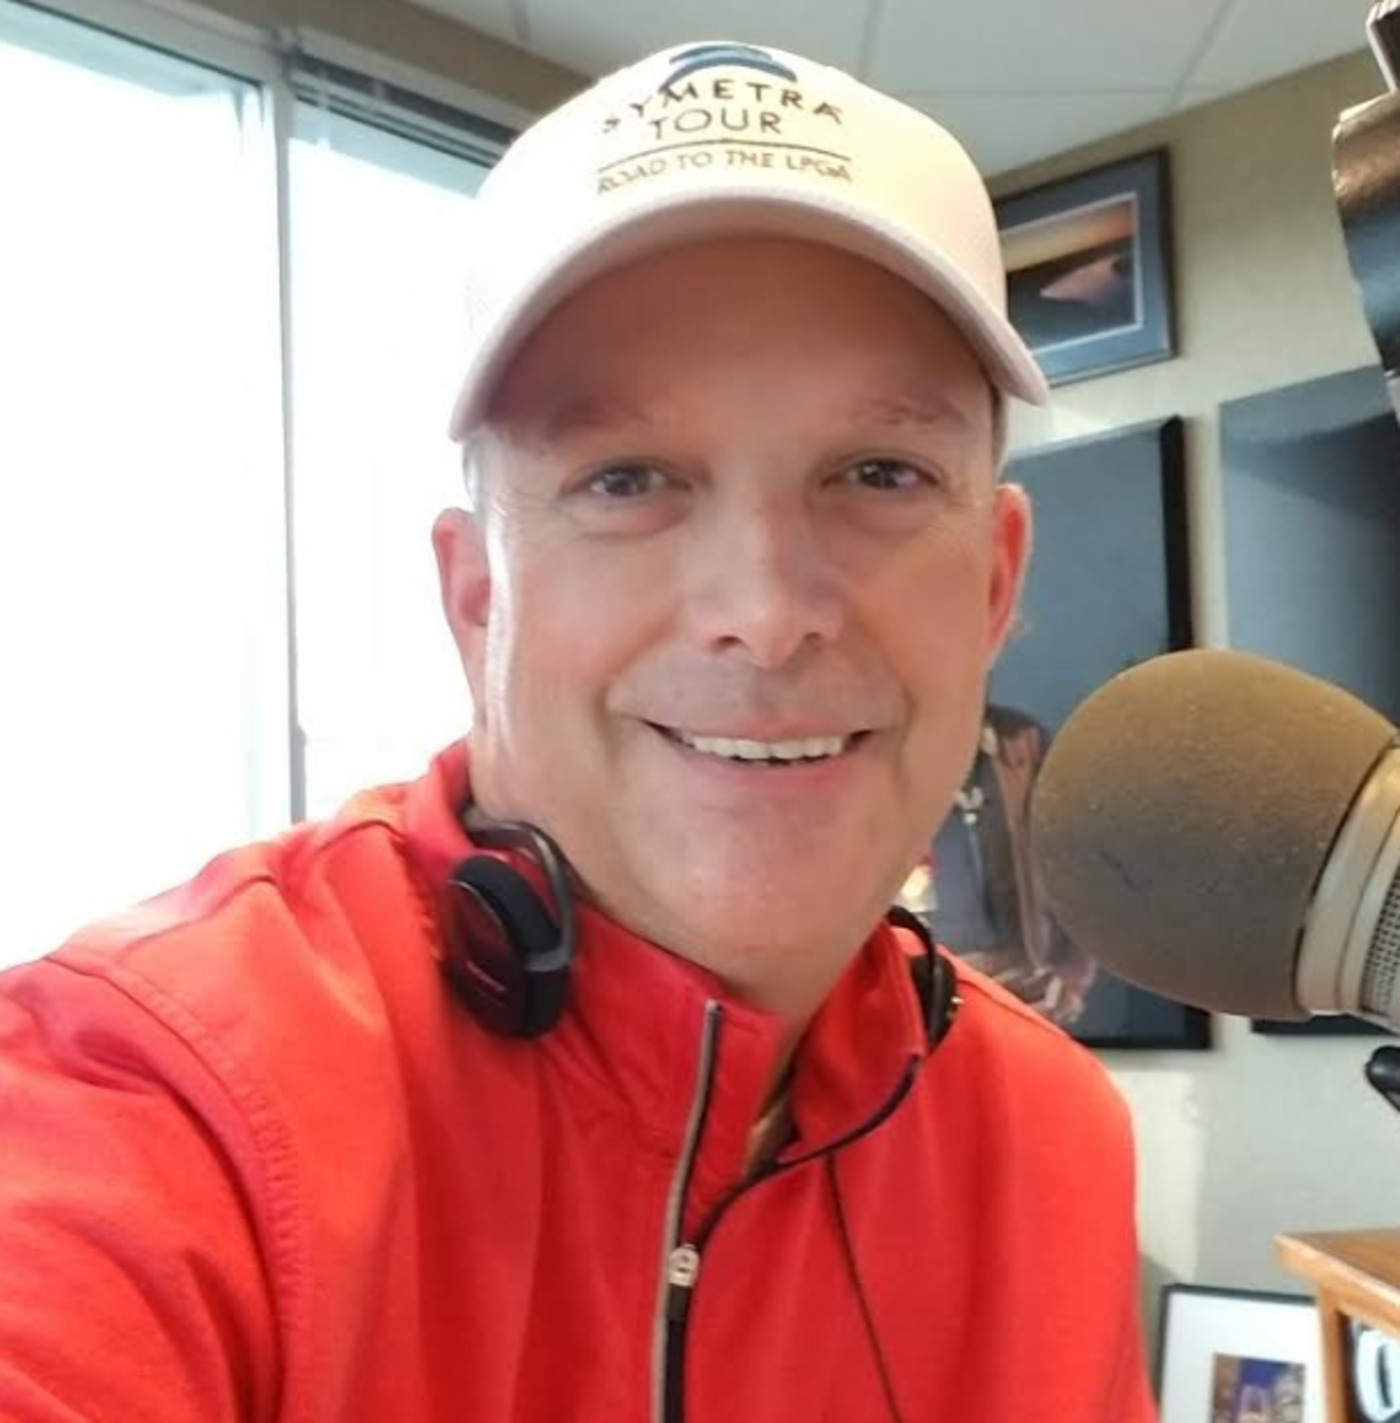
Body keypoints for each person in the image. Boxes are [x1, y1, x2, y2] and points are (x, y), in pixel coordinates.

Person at [0, 40, 1154, 1423]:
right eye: (626, 479)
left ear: (994, 584)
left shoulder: (1046, 1137)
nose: (765, 613)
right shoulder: (157, 1095)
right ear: (475, 594)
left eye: (878, 472)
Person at [901, 701, 1097, 1026]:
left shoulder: (1022, 742)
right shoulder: (870, 754)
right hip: (920, 994)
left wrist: (1069, 978)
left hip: (1019, 994)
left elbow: (1083, 872)